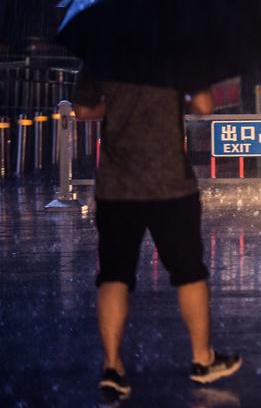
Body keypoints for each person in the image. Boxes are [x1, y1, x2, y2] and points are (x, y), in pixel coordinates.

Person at [73, 68, 241, 401]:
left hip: (117, 185)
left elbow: (82, 110)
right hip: (171, 184)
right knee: (189, 273)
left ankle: (112, 367)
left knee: (114, 275)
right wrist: (172, 100)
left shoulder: (102, 49)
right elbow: (204, 106)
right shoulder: (174, 49)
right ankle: (202, 359)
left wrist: (120, 107)